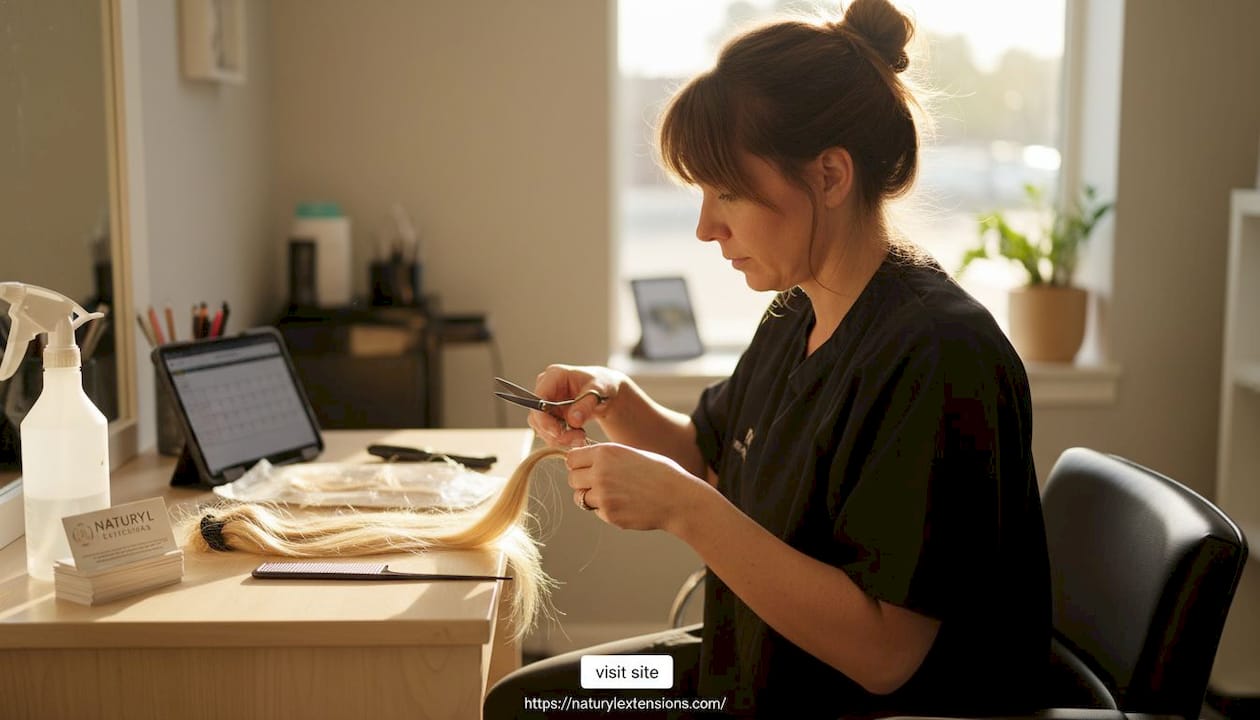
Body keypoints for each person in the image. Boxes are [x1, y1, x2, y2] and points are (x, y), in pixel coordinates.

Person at [485, 0, 1050, 716]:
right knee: (536, 699)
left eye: (728, 192)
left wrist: (685, 511)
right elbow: (711, 456)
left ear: (830, 176)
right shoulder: (798, 310)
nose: (704, 227)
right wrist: (615, 398)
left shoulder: (937, 357)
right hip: (739, 669)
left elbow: (884, 654)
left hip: (831, 700)